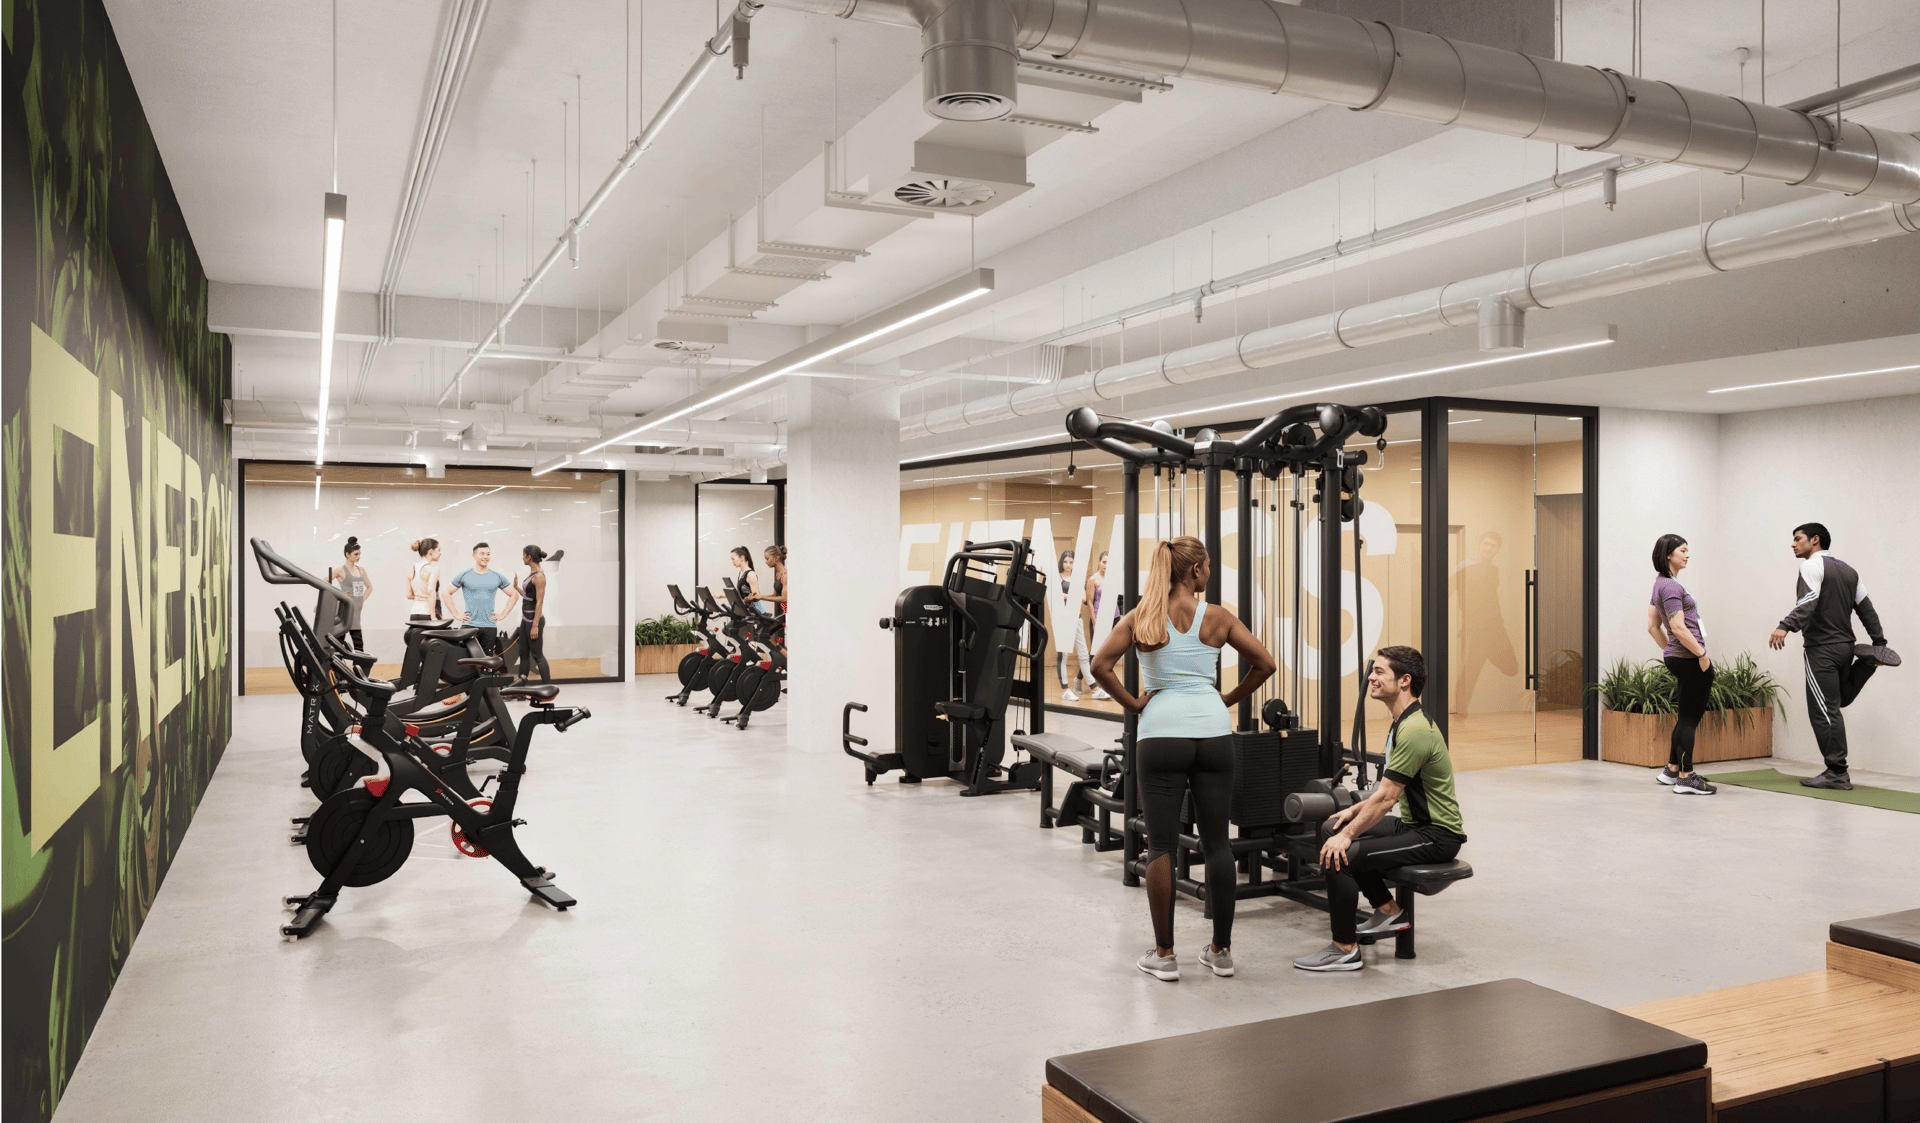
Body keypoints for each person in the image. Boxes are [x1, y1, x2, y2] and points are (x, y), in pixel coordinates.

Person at [1090, 536, 1276, 982]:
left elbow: (1099, 666)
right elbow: (1265, 664)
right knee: (1218, 844)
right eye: (1207, 565)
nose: (1209, 572)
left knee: (1161, 846)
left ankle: (1165, 955)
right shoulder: (1217, 617)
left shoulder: (1142, 616)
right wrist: (1226, 698)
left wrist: (1135, 704)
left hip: (1160, 734)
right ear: (1195, 571)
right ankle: (1221, 952)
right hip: (1213, 733)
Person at [1294, 646, 1465, 973]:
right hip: (1414, 826)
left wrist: (1349, 834)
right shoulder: (1402, 722)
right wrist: (1352, 814)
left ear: (1404, 681)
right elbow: (1388, 791)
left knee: (1342, 852)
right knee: (1331, 828)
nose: (1371, 677)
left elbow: (1387, 798)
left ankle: (1344, 948)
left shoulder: (1415, 730)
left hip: (1437, 835)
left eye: (1379, 671)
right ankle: (1388, 910)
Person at [1767, 522, 1900, 791]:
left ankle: (1837, 772)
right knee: (1839, 700)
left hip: (1822, 649)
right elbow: (1866, 609)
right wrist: (1879, 642)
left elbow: (1808, 601)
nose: (1793, 544)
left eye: (1798, 538)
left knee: (1823, 711)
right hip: (1846, 647)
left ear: (1815, 540)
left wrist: (1785, 625)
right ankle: (1866, 663)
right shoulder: (1850, 571)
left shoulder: (1811, 566)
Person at [1648, 534, 1717, 795]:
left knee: (1685, 716)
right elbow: (1677, 626)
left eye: (1688, 550)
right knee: (1690, 719)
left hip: (1678, 657)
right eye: (1683, 550)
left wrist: (1670, 650)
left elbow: (1652, 626)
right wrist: (1701, 654)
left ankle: (1672, 769)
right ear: (1668, 554)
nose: (1688, 555)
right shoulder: (1671, 587)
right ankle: (1686, 778)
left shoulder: (1661, 584)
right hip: (1689, 658)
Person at [442, 541, 518, 653]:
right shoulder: (465, 575)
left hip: (489, 627)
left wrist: (503, 614)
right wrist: (456, 614)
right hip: (469, 626)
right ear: (474, 555)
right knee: (466, 659)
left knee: (486, 660)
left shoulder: (497, 576)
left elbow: (514, 594)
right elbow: (445, 593)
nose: (486, 557)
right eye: (482, 553)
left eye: (488, 554)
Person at [515, 545, 551, 683]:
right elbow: (528, 597)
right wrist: (516, 587)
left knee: (537, 655)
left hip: (533, 620)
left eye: (524, 555)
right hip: (526, 619)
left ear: (529, 557)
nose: (522, 558)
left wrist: (535, 625)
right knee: (523, 654)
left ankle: (548, 688)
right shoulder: (532, 573)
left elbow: (539, 602)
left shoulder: (539, 576)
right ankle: (521, 688)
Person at [1056, 550, 1089, 700]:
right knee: (1063, 655)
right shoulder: (1059, 577)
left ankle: (1093, 687)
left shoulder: (1077, 578)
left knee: (1083, 654)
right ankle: (1065, 690)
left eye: (1070, 562)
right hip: (1063, 618)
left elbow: (1084, 598)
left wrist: (1070, 596)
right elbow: (1057, 595)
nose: (1068, 565)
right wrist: (1071, 596)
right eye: (1065, 561)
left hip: (1077, 618)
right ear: (1061, 562)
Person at [329, 537, 372, 651]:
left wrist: (362, 599)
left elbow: (369, 587)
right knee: (338, 645)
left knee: (359, 647)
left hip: (356, 613)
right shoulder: (340, 570)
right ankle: (334, 663)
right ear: (347, 554)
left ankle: (357, 664)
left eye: (359, 554)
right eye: (356, 554)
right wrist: (340, 594)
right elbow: (324, 582)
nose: (359, 557)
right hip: (345, 611)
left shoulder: (361, 570)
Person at [1083, 551, 1112, 701]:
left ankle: (1079, 679)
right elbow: (1089, 601)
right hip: (1098, 619)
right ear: (1099, 562)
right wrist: (1094, 621)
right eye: (1104, 562)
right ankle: (1094, 687)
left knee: (1106, 651)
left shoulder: (1112, 578)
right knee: (1095, 653)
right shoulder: (1093, 579)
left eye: (1108, 562)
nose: (1106, 565)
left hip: (1111, 618)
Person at [405, 539, 443, 622]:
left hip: (414, 613)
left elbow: (408, 595)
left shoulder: (411, 569)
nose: (440, 553)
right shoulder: (433, 570)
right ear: (431, 551)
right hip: (428, 613)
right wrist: (433, 616)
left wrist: (420, 597)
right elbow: (430, 591)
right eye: (438, 550)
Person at [754, 545, 788, 613]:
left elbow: (784, 598)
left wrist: (760, 597)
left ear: (776, 558)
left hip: (789, 613)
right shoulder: (778, 574)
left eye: (767, 559)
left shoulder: (785, 574)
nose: (766, 562)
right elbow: (775, 596)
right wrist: (757, 597)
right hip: (783, 611)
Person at [730, 546, 764, 612]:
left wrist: (749, 598)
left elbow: (756, 597)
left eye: (733, 559)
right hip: (747, 610)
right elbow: (741, 594)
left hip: (756, 611)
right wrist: (725, 594)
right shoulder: (741, 573)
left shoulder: (751, 574)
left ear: (742, 558)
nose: (732, 561)